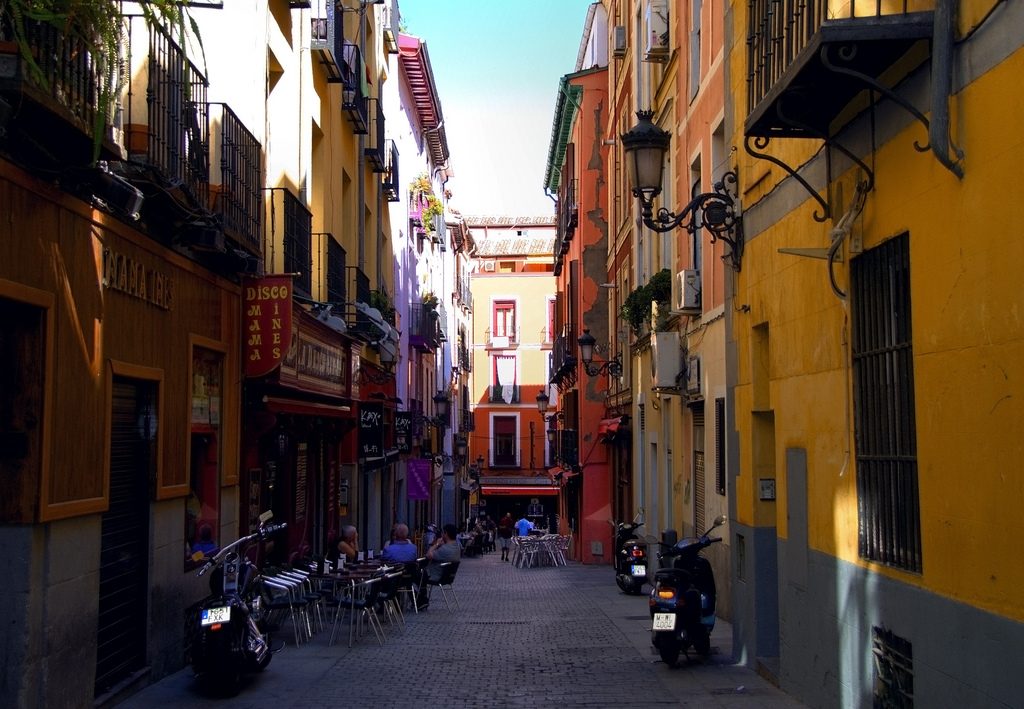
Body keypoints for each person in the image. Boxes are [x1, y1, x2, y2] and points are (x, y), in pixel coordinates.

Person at [416, 523, 461, 609]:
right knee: (420, 575)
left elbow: (428, 555)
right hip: (448, 576)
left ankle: (421, 600)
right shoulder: (456, 547)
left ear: (446, 534)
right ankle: (422, 599)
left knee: (417, 576)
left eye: (443, 533)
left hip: (436, 575)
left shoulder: (445, 549)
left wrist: (436, 544)